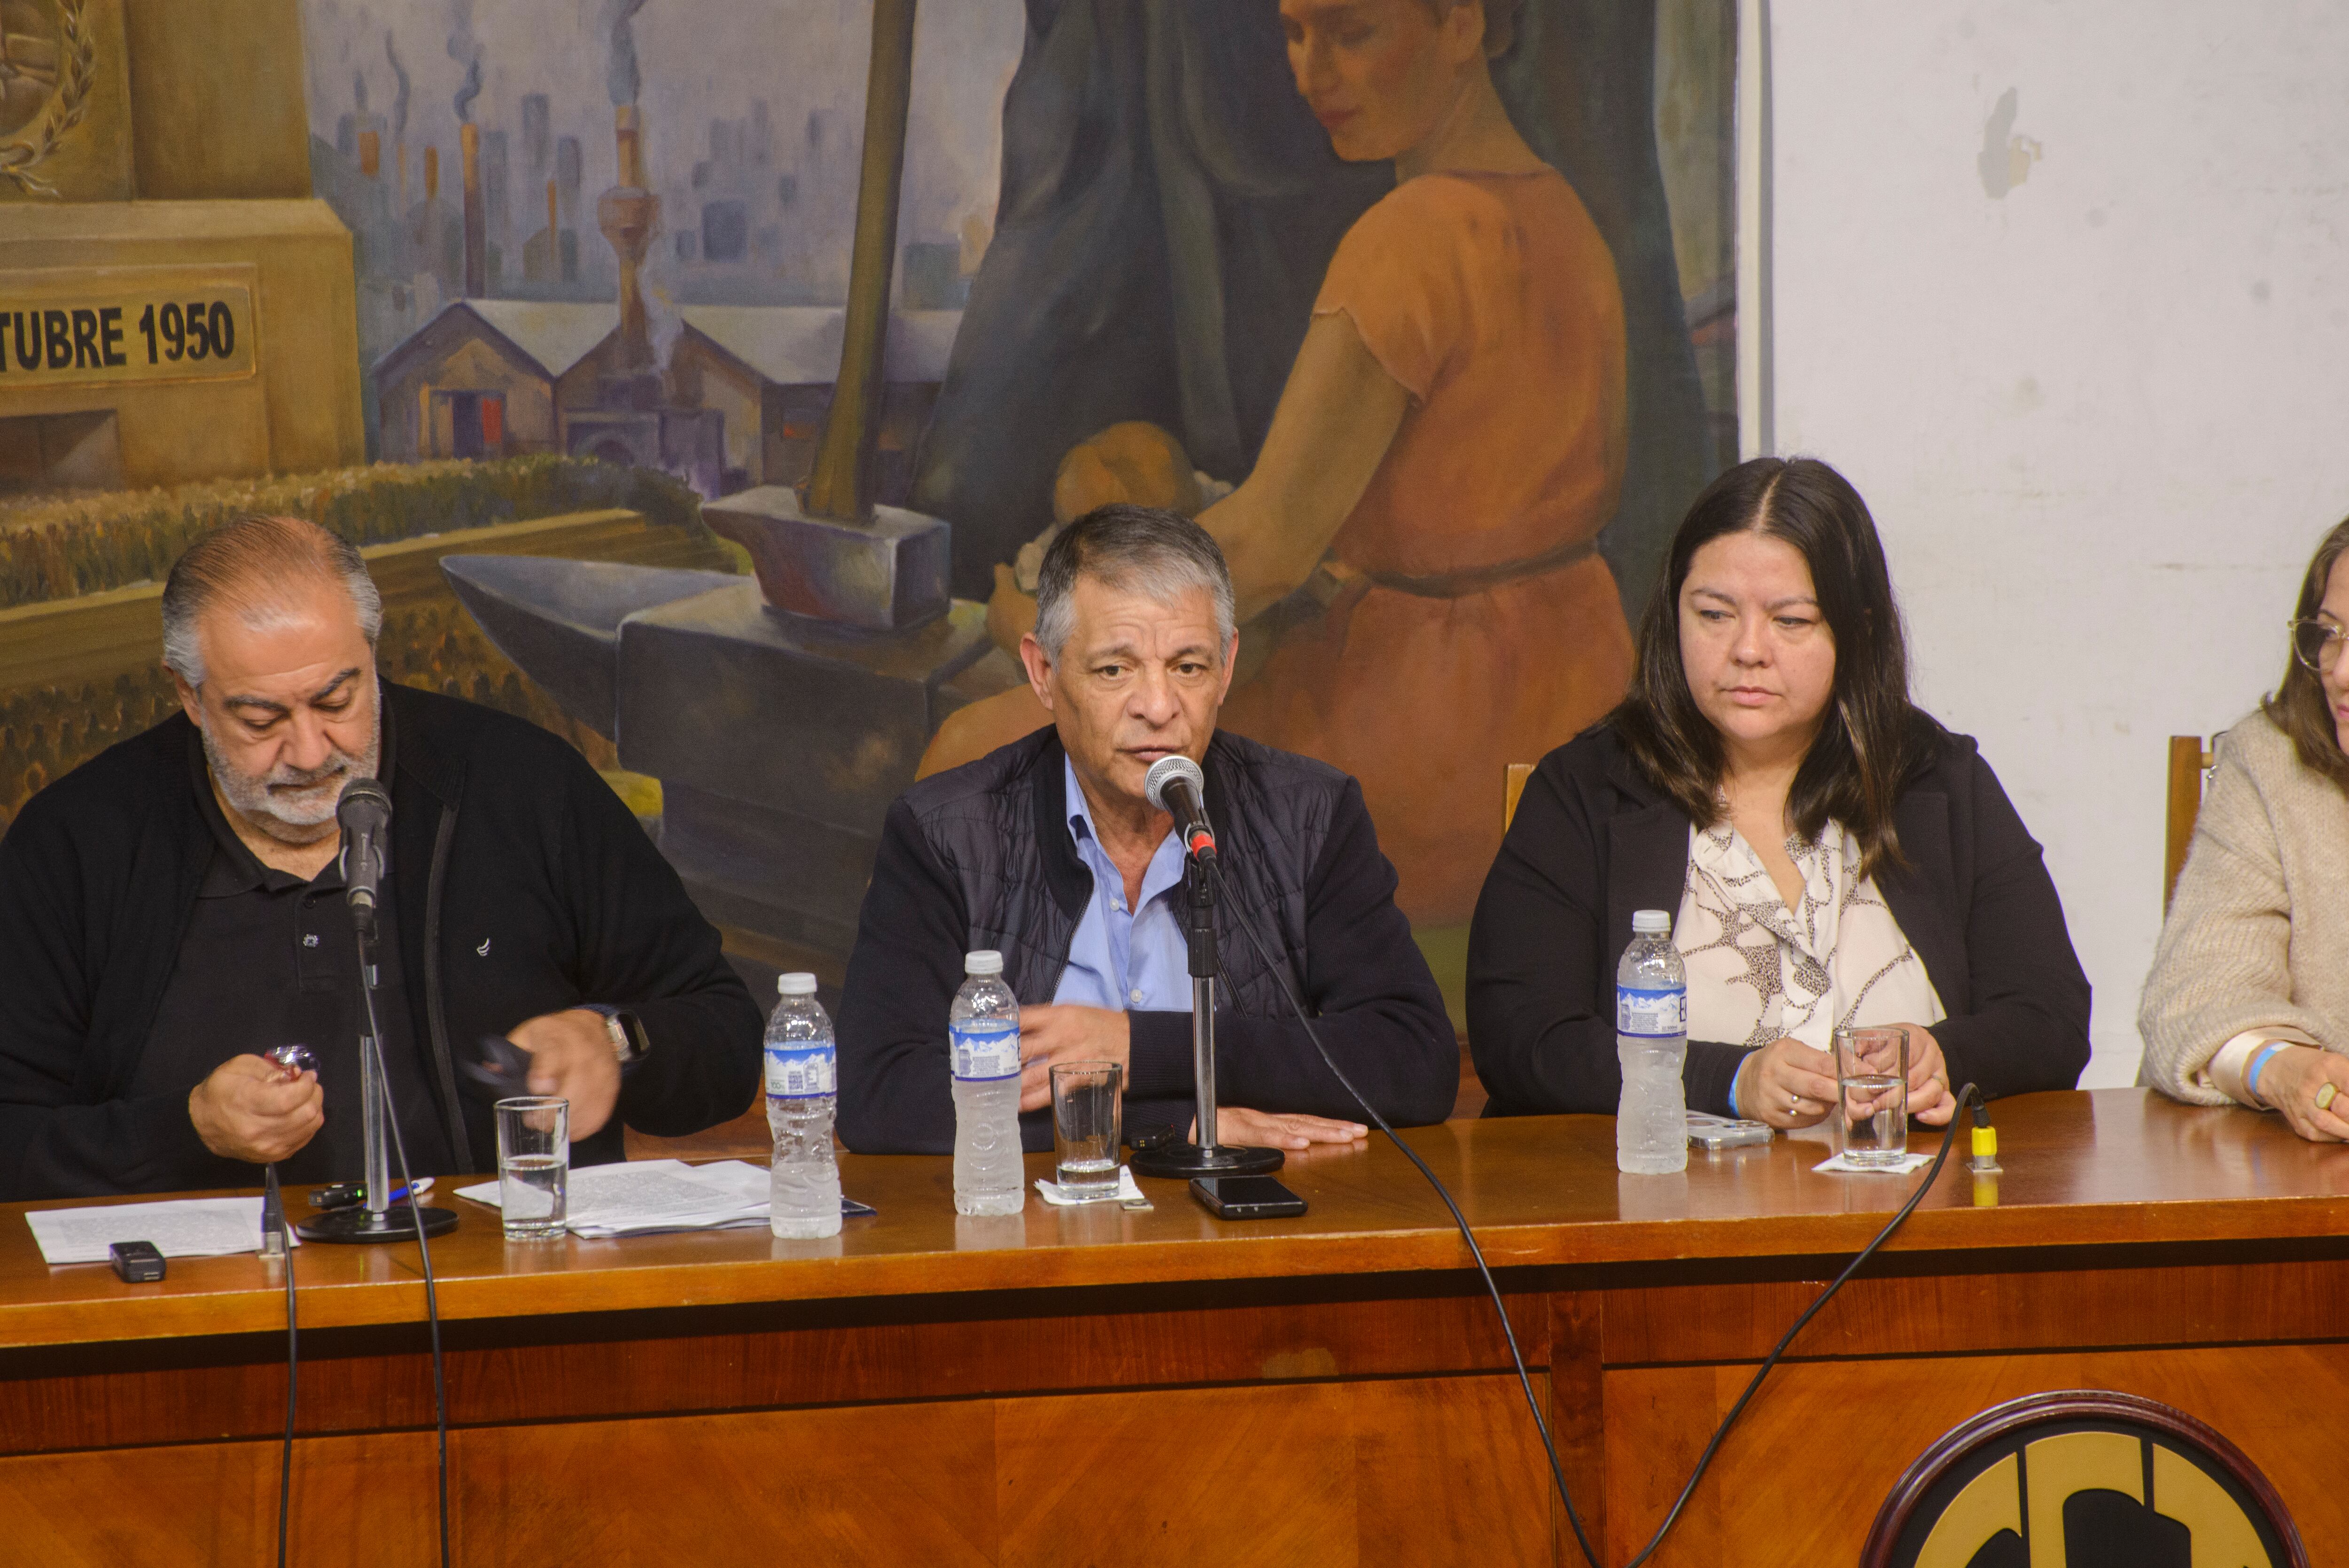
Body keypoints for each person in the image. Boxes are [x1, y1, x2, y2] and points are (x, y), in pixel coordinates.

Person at [920, 0, 1631, 929]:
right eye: (1295, 34)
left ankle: (1038, 1060)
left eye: (1351, 32)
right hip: (1572, 704)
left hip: (1429, 741)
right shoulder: (1564, 221)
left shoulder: (1411, 238)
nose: (1309, 72)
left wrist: (1059, 625)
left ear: (1461, 23)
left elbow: (1264, 548)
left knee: (974, 758)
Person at [0, 516, 763, 1200]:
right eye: (261, 718)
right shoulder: (79, 843)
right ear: (190, 696)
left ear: (372, 651)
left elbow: (725, 1033)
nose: (309, 752)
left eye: (337, 700)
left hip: (503, 1309)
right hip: (200, 1320)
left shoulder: (523, 787)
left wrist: (617, 1042)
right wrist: (186, 1128)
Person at [1467, 458, 2090, 1127]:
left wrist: (1943, 1056)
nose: (1748, 649)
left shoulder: (1933, 779)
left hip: (1908, 1206)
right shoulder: (1586, 790)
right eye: (1713, 613)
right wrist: (1727, 1078)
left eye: (1790, 621)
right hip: (1661, 1215)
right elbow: (1520, 1036)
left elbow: (2051, 1016)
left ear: (1860, 631)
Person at [836, 505, 1458, 1155]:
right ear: (1044, 673)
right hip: (1032, 1236)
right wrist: (1172, 1125)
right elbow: (879, 1096)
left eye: (1188, 666)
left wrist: (1140, 1046)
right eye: (1115, 669)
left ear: (1227, 666)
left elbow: (1414, 1059)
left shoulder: (1311, 815)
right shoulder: (945, 832)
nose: (1159, 707)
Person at [2141, 517, 2349, 1141]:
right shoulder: (2271, 765)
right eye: (2332, 635)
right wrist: (2278, 1068)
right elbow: (2193, 997)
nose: (2339, 670)